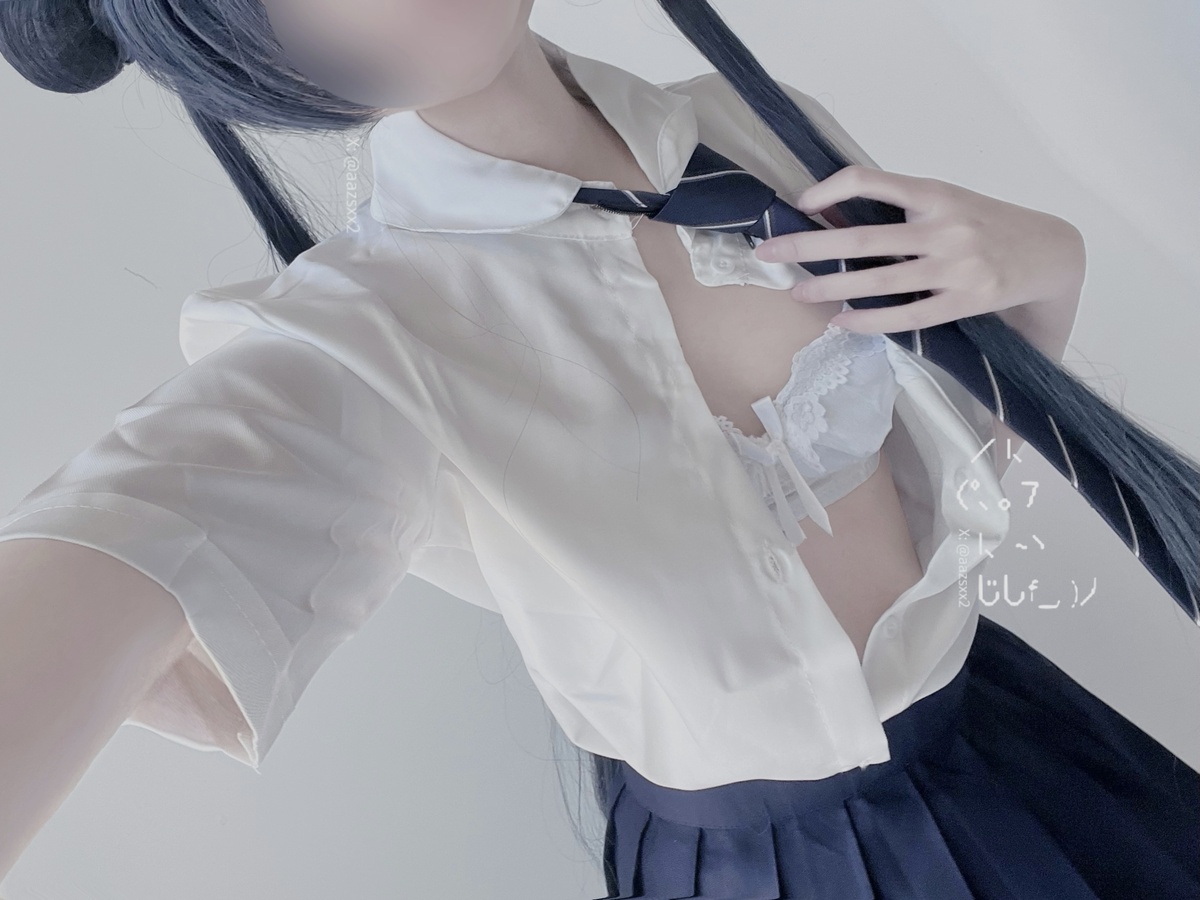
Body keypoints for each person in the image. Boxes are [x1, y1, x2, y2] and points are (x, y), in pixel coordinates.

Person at [0, 0, 1196, 895]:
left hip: (1012, 729)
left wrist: (1050, 261)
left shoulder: (756, 127)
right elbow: (145, 528)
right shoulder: (361, 337)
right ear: (220, 40)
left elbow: (957, 469)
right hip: (784, 867)